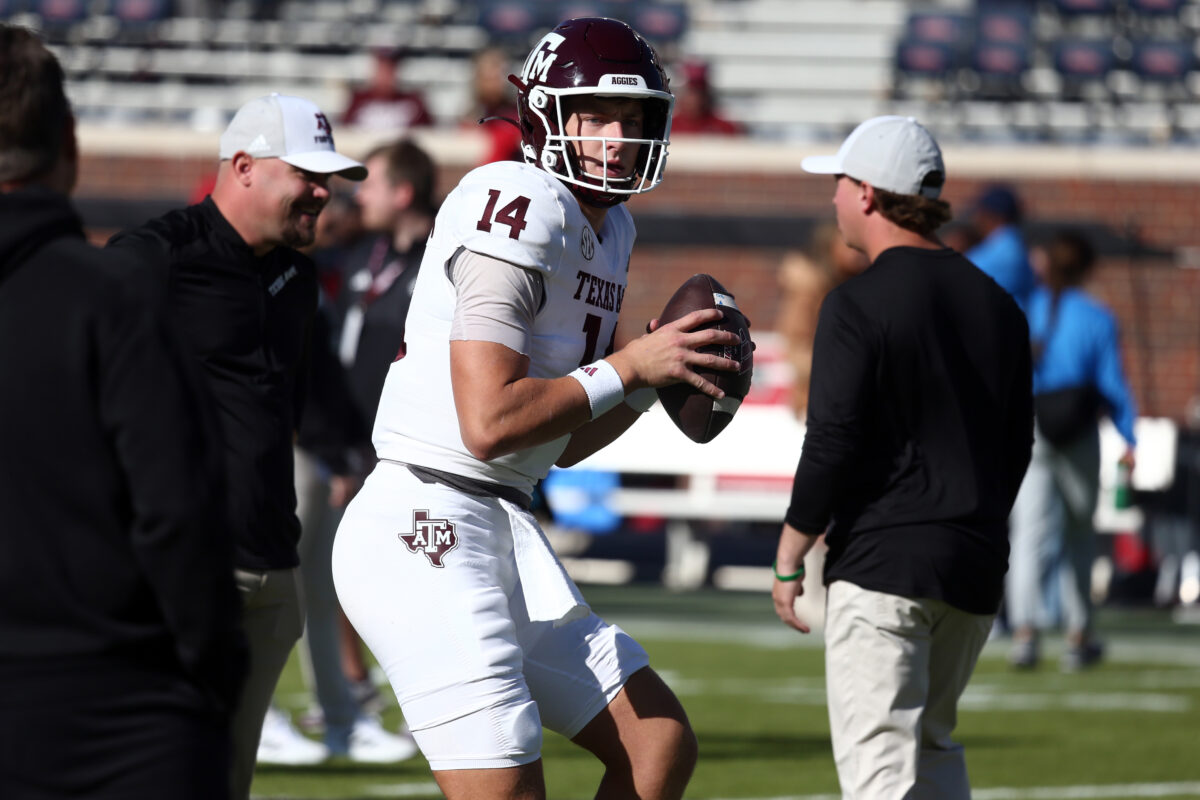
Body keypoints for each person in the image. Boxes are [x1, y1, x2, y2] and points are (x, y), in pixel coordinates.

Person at [331, 17, 741, 800]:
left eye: (635, 118)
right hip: (427, 519)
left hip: (502, 521)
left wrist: (655, 377)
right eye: (598, 116)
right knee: (508, 788)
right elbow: (489, 423)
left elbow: (561, 441)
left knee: (657, 745)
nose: (620, 138)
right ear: (548, 114)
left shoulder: (611, 225)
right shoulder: (514, 195)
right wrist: (629, 364)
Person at [0, 24, 245, 798]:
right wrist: (212, 677)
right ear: (69, 144)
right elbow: (178, 511)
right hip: (120, 711)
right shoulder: (111, 299)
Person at [106, 92, 367, 799]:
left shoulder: (298, 278)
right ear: (244, 167)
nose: (324, 192)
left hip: (270, 571)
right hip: (180, 571)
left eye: (329, 177)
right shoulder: (151, 258)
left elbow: (292, 408)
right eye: (307, 175)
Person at [771, 115, 1034, 800]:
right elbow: (1017, 441)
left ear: (866, 192)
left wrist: (789, 552)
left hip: (885, 564)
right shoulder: (1000, 303)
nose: (831, 199)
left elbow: (833, 439)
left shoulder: (856, 303)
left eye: (838, 183)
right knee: (935, 753)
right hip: (972, 570)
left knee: (881, 776)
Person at [1007, 230, 1138, 671]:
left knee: (1029, 537)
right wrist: (1128, 436)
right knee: (1080, 535)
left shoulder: (1028, 310)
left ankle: (1024, 634)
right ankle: (1078, 635)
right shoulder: (1097, 317)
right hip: (1079, 432)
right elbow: (1113, 384)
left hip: (1033, 429)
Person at [965, 183, 1037, 311]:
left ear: (994, 216)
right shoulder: (1012, 244)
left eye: (981, 213)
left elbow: (961, 276)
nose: (976, 219)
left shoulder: (1005, 248)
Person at [342, 47, 434, 133]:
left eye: (390, 69)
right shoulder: (358, 99)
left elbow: (427, 134)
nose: (385, 75)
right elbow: (345, 131)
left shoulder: (413, 102)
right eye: (382, 69)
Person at [668, 59, 742, 135]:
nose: (695, 98)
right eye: (690, 91)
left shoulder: (725, 128)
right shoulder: (667, 127)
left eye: (699, 91)